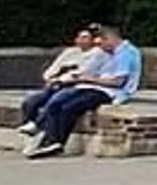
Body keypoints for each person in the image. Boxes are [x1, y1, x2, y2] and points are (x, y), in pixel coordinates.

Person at [25, 24, 140, 156]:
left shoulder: (125, 54)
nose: (100, 48)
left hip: (110, 92)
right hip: (94, 86)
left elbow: (118, 82)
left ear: (110, 39)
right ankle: (49, 140)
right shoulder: (112, 52)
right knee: (58, 102)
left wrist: (88, 79)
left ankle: (54, 140)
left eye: (101, 43)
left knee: (71, 106)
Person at [15, 27, 102, 136]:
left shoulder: (97, 54)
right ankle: (31, 127)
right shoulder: (70, 52)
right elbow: (52, 69)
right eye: (79, 37)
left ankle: (40, 127)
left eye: (85, 37)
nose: (81, 40)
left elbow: (82, 72)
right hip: (55, 83)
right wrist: (51, 78)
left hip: (73, 85)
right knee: (30, 102)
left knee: (56, 102)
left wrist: (61, 80)